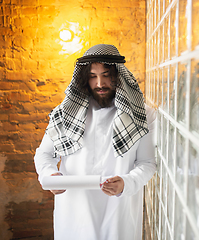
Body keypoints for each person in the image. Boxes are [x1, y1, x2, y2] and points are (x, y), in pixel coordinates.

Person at [34, 44, 156, 240]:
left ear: (118, 75)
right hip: (73, 213)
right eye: (93, 76)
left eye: (106, 75)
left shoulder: (144, 115)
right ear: (85, 78)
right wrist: (50, 175)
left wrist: (126, 183)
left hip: (118, 213)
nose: (100, 83)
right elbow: (44, 154)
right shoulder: (66, 113)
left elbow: (147, 163)